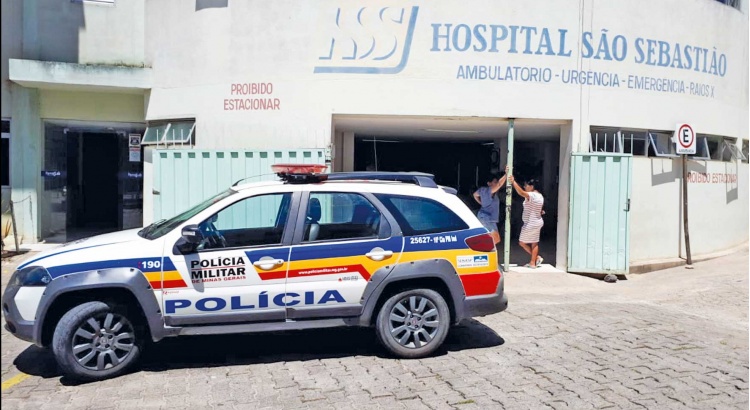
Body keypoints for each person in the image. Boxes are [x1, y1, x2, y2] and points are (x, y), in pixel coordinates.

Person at [509, 176, 544, 268]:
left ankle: (536, 258)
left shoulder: (532, 195)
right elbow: (539, 209)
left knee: (522, 242)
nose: (525, 187)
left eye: (526, 185)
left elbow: (521, 192)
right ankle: (533, 262)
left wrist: (513, 182)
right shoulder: (540, 196)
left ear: (532, 187)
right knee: (534, 242)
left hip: (530, 223)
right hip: (538, 221)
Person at [473, 171, 507, 247]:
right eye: (494, 182)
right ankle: (484, 251)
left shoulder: (482, 190)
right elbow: (499, 185)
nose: (496, 184)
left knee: (492, 238)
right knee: (495, 238)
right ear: (489, 183)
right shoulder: (489, 191)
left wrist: (481, 203)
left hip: (485, 216)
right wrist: (506, 174)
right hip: (487, 218)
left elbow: (475, 195)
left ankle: (485, 251)